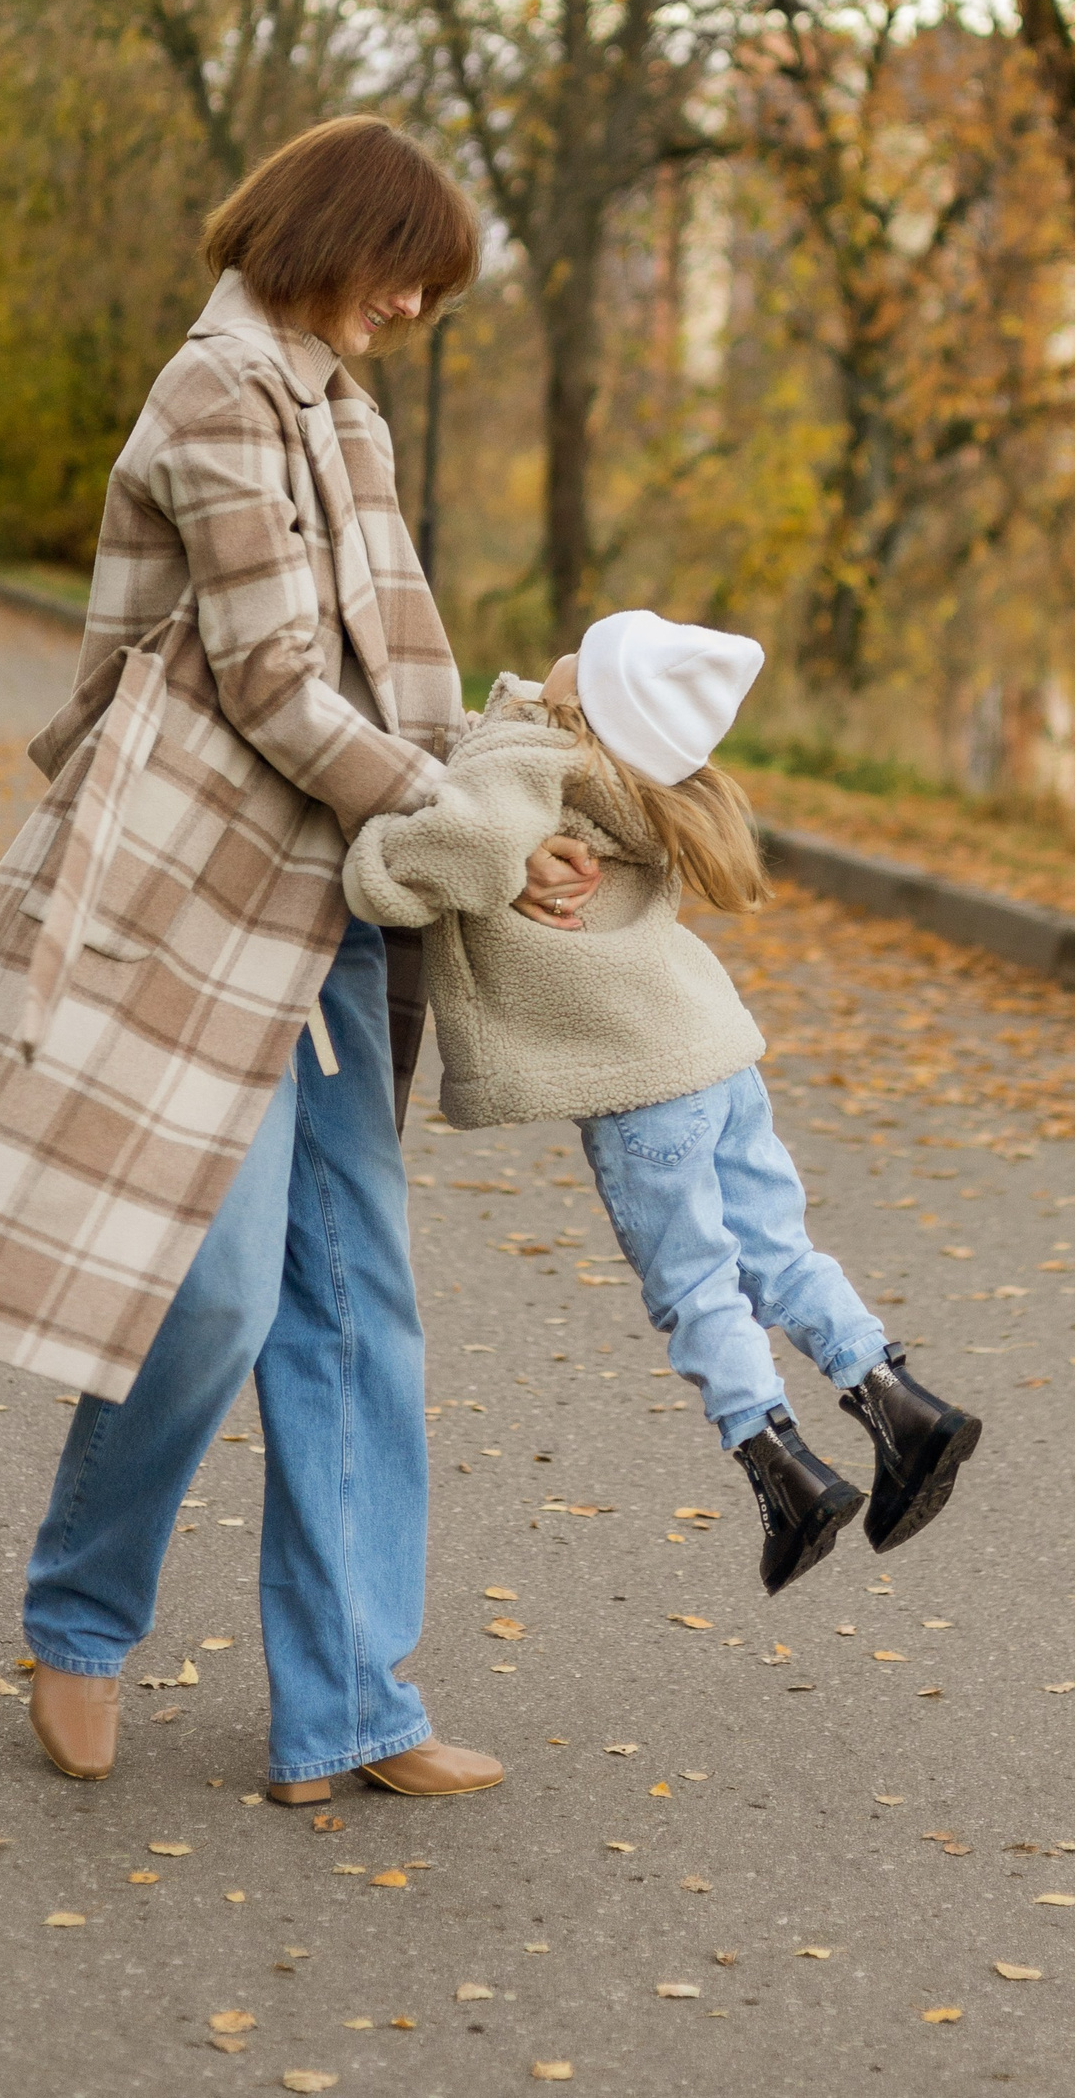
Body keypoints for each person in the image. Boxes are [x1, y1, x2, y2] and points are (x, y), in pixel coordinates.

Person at [0, 117, 597, 1806]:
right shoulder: (218, 397)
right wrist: (458, 815)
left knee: (357, 1309)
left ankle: (350, 1700)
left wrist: (500, 782)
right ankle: (81, 1611)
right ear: (336, 236)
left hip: (342, 902)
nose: (417, 306)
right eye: (411, 268)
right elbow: (272, 684)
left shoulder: (345, 409)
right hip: (198, 907)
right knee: (215, 1290)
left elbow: (387, 667)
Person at [343, 610, 982, 1594]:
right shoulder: (649, 782)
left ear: (587, 700)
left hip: (643, 1090)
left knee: (693, 1285)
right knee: (777, 1248)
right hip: (717, 1055)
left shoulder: (533, 756)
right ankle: (897, 1405)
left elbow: (450, 850)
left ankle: (784, 1472)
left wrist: (369, 861)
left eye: (584, 655)